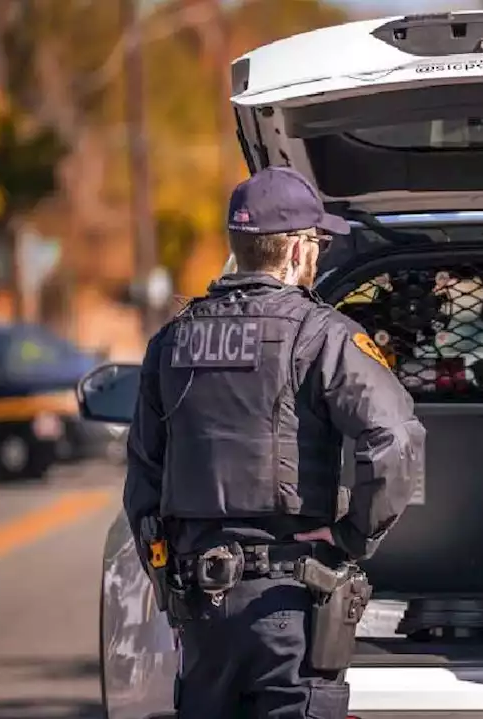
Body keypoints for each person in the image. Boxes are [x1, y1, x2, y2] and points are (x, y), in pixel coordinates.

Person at [123, 165, 427, 719]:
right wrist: (351, 535)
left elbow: (143, 480)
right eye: (316, 242)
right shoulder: (323, 335)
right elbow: (396, 441)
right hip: (290, 600)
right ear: (293, 251)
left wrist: (170, 581)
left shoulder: (171, 340)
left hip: (200, 606)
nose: (317, 254)